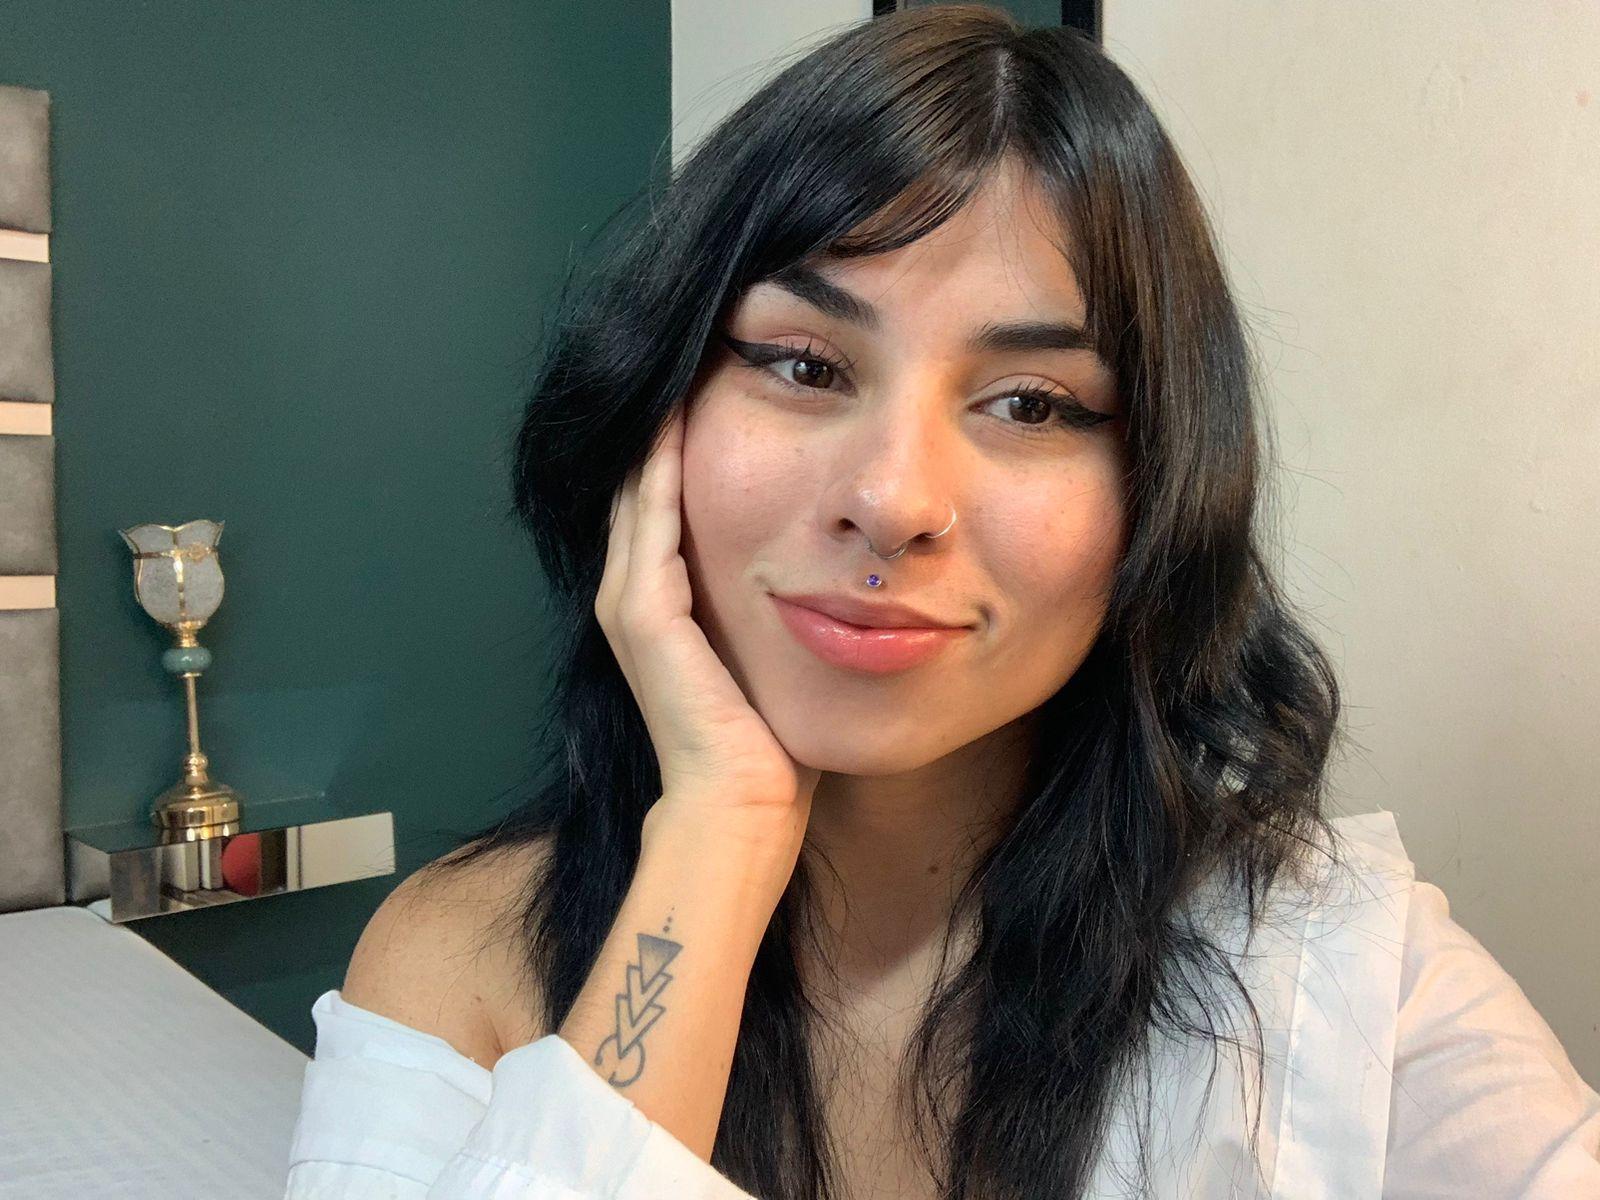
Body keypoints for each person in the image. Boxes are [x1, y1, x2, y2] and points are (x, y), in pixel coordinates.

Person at [283, 6, 1600, 1198]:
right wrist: (718, 833)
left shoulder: (1338, 985)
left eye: (1031, 403)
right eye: (804, 365)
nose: (893, 497)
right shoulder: (461, 960)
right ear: (655, 409)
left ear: (1158, 485)